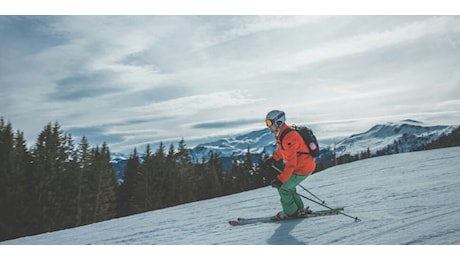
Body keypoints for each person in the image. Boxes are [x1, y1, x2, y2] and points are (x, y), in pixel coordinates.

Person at [265, 110, 316, 220]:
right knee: (290, 187)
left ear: (278, 122)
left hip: (302, 168)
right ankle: (298, 209)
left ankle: (291, 212)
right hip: (301, 166)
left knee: (283, 188)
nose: (268, 126)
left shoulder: (289, 136)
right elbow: (282, 150)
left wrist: (281, 180)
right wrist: (274, 158)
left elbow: (291, 164)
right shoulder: (282, 134)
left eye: (269, 123)